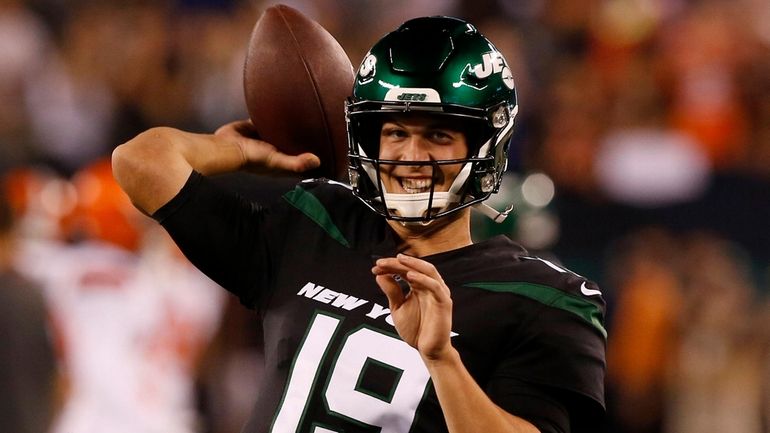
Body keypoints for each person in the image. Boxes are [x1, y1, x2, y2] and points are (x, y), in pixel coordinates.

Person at [113, 16, 606, 433]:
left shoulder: (542, 298)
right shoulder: (317, 223)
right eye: (394, 132)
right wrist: (236, 150)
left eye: (437, 134)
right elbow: (140, 164)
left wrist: (442, 360)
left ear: (485, 148)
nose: (412, 156)